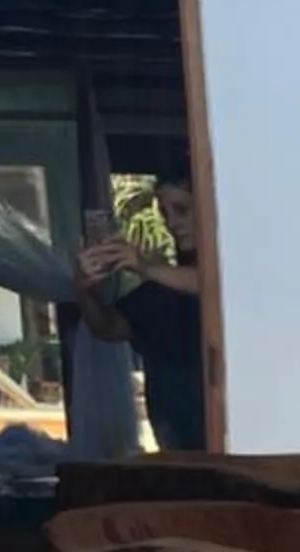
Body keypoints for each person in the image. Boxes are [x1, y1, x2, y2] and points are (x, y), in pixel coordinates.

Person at [73, 172, 207, 452]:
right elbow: (107, 327)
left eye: (182, 210)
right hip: (175, 439)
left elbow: (213, 286)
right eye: (166, 213)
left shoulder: (233, 278)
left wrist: (143, 265)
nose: (172, 223)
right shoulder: (159, 293)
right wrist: (85, 289)